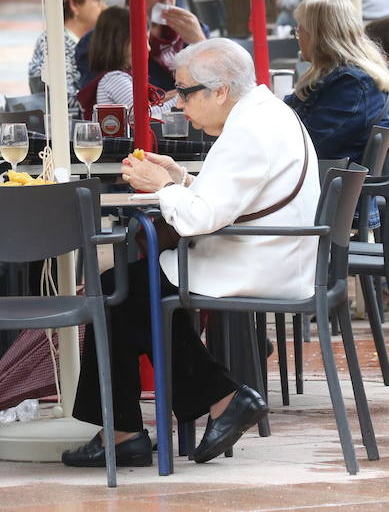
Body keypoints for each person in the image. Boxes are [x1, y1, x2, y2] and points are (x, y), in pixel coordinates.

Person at [62, 39, 315, 469]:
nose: (178, 103)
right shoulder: (261, 113)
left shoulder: (250, 128)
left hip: (255, 258)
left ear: (219, 91)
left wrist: (162, 187)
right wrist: (179, 175)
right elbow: (234, 196)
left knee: (117, 292)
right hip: (264, 250)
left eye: (184, 91)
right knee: (126, 292)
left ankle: (133, 431)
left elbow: (197, 219)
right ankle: (215, 402)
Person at [75, 0, 205, 91]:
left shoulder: (191, 29)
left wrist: (201, 43)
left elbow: (220, 88)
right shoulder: (101, 40)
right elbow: (100, 98)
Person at [286, 0, 389, 162]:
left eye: (299, 31)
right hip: (333, 179)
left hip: (335, 183)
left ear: (317, 36)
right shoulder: (340, 77)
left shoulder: (353, 84)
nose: (298, 39)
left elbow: (308, 143)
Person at [76, 7, 177, 121]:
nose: (148, 48)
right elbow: (147, 117)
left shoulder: (112, 78)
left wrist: (167, 99)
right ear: (120, 42)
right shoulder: (115, 80)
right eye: (144, 39)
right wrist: (182, 97)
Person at [26, 0, 104, 104]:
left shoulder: (92, 42)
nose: (104, 6)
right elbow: (62, 98)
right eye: (97, 0)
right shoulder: (52, 42)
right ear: (75, 5)